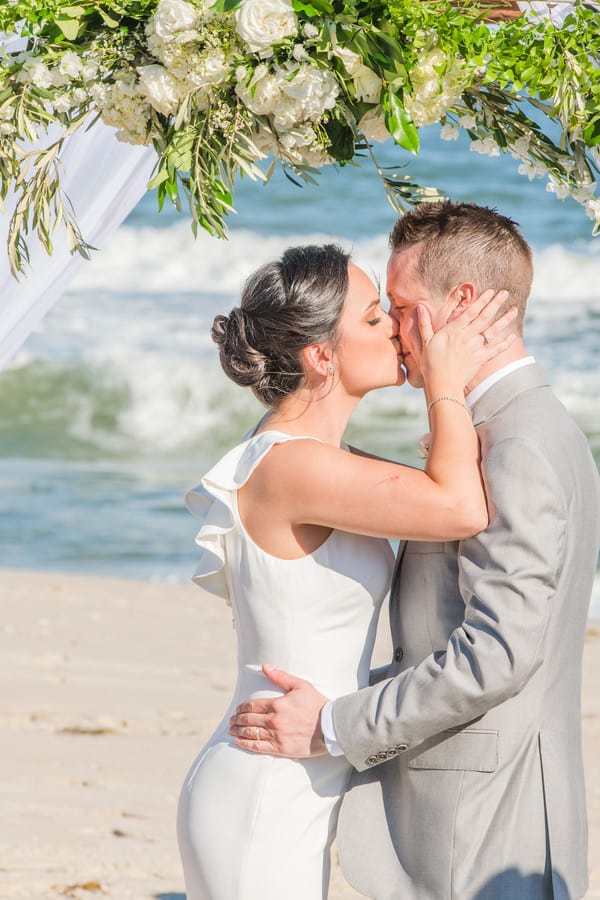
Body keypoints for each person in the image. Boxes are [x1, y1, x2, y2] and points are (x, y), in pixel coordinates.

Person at [229, 204, 600, 900]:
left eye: (398, 308)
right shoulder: (517, 425)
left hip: (483, 826)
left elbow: (498, 654)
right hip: (485, 813)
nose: (396, 331)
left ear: (461, 305)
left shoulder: (516, 444)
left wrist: (336, 723)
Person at [177, 241, 516, 900]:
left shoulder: (318, 457)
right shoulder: (295, 466)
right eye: (372, 318)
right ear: (321, 356)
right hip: (263, 794)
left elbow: (438, 492)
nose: (395, 326)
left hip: (292, 773)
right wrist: (443, 382)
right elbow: (459, 506)